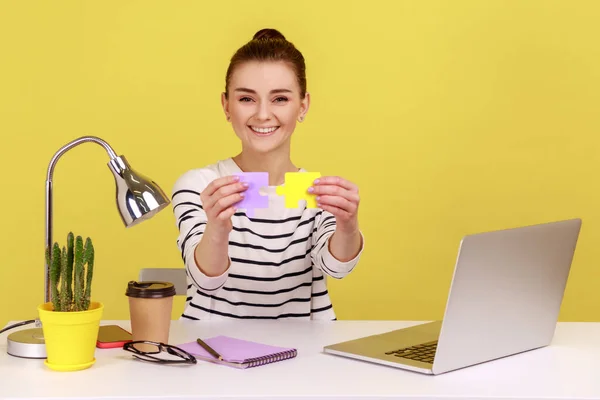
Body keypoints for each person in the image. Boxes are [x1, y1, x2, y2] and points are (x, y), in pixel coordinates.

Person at [172, 28, 364, 320]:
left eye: (280, 99)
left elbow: (336, 267)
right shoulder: (201, 185)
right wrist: (218, 228)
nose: (263, 114)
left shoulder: (314, 189)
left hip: (302, 356)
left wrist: (348, 225)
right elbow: (207, 278)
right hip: (211, 354)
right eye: (247, 99)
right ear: (226, 106)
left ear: (303, 105)